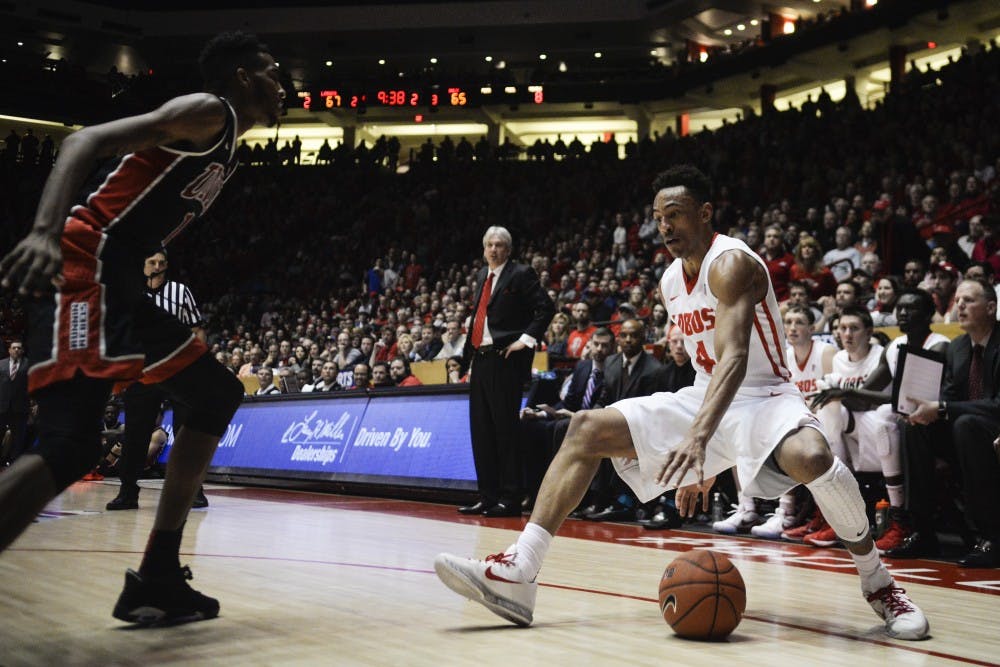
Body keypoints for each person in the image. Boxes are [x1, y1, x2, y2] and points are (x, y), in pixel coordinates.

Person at [434, 165, 927, 639]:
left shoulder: (731, 263)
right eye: (659, 217)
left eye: (675, 214)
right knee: (584, 428)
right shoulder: (671, 280)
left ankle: (879, 583)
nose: (665, 225)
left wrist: (698, 442)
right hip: (706, 394)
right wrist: (704, 458)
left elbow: (734, 359)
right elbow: (707, 369)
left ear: (706, 212)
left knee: (814, 458)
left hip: (765, 395)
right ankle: (521, 569)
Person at [0, 31, 283, 625]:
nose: (283, 84)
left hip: (121, 278)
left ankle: (157, 574)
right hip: (88, 264)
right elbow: (84, 139)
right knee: (69, 444)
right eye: (272, 72)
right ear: (241, 78)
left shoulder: (228, 143)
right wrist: (45, 231)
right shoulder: (211, 112)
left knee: (215, 392)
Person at [894, 278, 1000, 567]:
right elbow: (949, 396)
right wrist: (924, 411)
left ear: (991, 308)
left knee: (965, 424)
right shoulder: (957, 348)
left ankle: (991, 536)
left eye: (969, 300)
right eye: (958, 301)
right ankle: (922, 530)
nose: (960, 306)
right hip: (965, 432)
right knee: (914, 426)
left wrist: (941, 407)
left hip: (991, 430)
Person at [458, 226, 555, 518]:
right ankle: (487, 496)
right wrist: (466, 360)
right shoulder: (481, 276)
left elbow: (545, 308)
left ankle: (511, 498)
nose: (493, 249)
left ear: (508, 249)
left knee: (505, 433)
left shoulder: (521, 273)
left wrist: (524, 341)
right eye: (489, 244)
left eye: (499, 245)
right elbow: (478, 317)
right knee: (482, 432)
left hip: (505, 360)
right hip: (482, 359)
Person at [106, 248, 209, 511]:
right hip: (142, 373)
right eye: (152, 262)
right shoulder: (128, 294)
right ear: (142, 266)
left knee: (187, 432)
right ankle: (128, 491)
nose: (157, 266)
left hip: (177, 370)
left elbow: (197, 328)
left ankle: (194, 489)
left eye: (162, 262)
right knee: (136, 434)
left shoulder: (180, 291)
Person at [0, 340, 29, 466]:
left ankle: (14, 462)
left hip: (20, 407)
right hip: (2, 406)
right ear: (9, 350)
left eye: (19, 348)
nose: (16, 350)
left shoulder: (29, 364)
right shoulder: (1, 364)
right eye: (14, 348)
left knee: (19, 438)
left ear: (22, 350)